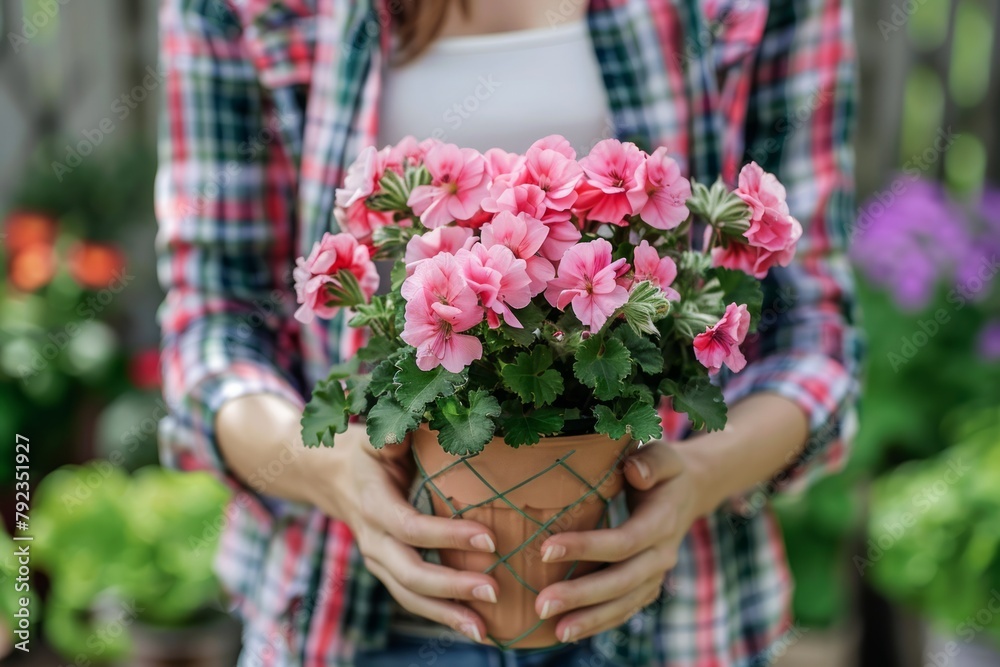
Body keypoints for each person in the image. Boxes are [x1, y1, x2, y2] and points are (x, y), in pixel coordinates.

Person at [156, 0, 860, 665]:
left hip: (679, 619)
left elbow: (814, 333)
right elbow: (214, 327)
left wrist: (698, 479)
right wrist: (331, 474)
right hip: (349, 621)